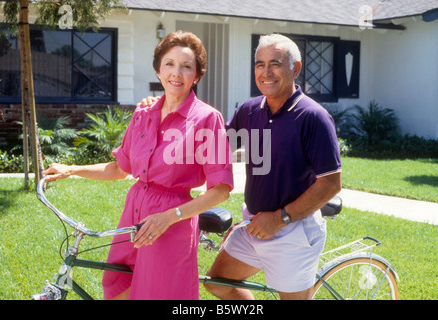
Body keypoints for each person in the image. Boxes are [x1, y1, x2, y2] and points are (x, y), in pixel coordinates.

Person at [43, 31, 233, 300]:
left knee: (158, 294)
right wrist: (71, 170)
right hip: (132, 217)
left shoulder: (207, 119)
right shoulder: (143, 114)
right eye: (169, 64)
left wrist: (168, 217)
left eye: (186, 66)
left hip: (170, 225)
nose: (176, 73)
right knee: (117, 284)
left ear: (197, 76)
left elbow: (221, 190)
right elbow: (120, 169)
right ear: (158, 70)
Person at [203, 34, 342, 300]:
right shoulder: (250, 110)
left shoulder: (313, 117)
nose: (266, 72)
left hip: (293, 230)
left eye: (275, 64)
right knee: (217, 283)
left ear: (295, 69)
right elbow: (218, 146)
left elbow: (330, 184)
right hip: (253, 225)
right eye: (259, 64)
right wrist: (167, 104)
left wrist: (279, 219)